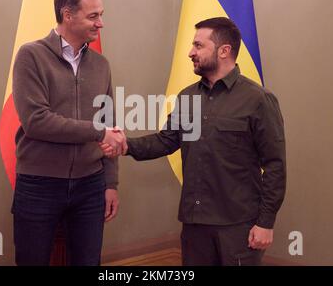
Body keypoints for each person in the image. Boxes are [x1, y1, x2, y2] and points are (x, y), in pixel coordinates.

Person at [100, 17, 286, 266]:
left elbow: (275, 166)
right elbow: (166, 141)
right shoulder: (187, 96)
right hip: (194, 224)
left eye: (198, 45)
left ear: (224, 51)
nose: (190, 52)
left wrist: (265, 222)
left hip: (238, 225)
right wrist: (125, 144)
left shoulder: (258, 99)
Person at [11, 0, 125, 266]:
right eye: (93, 16)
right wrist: (98, 131)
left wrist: (110, 183)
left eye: (101, 15)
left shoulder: (102, 65)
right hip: (39, 184)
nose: (101, 24)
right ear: (67, 15)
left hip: (91, 185)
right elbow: (37, 121)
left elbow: (109, 124)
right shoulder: (31, 56)